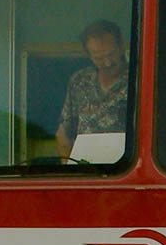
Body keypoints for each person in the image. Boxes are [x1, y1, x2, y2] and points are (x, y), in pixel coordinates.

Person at [54, 19, 130, 159]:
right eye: (99, 58)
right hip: (88, 172)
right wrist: (69, 172)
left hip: (127, 173)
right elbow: (63, 133)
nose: (107, 63)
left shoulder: (140, 78)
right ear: (89, 55)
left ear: (120, 46)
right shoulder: (79, 81)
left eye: (111, 54)